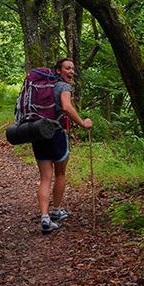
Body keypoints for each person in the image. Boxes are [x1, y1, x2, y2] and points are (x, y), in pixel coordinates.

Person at [31, 58, 93, 234]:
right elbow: (66, 107)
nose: (71, 71)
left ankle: (44, 217)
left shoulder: (42, 86)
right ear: (58, 71)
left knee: (45, 178)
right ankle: (56, 211)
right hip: (57, 134)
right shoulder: (64, 87)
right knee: (60, 173)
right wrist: (82, 123)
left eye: (73, 68)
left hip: (38, 133)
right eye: (67, 68)